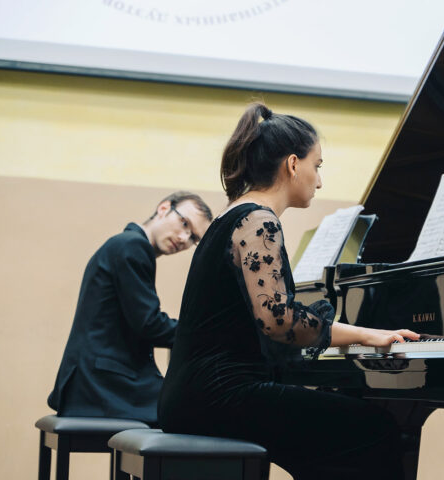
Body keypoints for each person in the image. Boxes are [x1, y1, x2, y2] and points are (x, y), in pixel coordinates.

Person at [158, 103, 418, 479]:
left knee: (326, 440)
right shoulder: (258, 220)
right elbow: (279, 321)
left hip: (193, 394)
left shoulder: (233, 214)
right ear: (293, 165)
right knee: (376, 430)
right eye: (318, 165)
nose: (319, 180)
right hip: (219, 397)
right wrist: (367, 335)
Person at [48, 191, 212, 424]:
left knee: (189, 408)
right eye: (184, 223)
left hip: (97, 380)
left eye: (193, 237)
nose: (184, 238)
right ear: (164, 208)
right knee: (194, 413)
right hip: (100, 385)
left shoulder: (127, 244)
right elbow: (149, 324)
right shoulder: (133, 246)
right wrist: (205, 335)